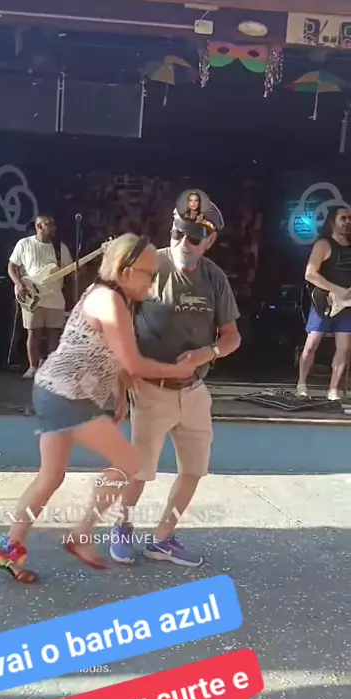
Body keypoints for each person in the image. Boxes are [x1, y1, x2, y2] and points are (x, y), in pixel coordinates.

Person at [0, 233, 207, 583]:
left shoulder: (106, 296)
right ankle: (83, 533)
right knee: (131, 463)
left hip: (51, 390)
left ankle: (8, 548)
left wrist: (118, 394)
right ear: (125, 271)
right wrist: (178, 371)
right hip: (68, 397)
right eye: (149, 274)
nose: (152, 283)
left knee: (51, 476)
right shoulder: (110, 301)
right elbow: (134, 363)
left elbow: (113, 358)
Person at [109, 191, 241, 567]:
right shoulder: (149, 268)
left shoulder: (215, 278)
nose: (184, 242)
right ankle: (122, 526)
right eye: (178, 233)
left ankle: (162, 538)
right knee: (139, 472)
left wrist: (208, 353)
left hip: (194, 391)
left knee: (194, 470)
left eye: (194, 237)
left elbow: (232, 336)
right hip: (151, 390)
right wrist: (119, 384)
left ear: (209, 241)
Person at [8, 215, 73, 379]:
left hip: (55, 297)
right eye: (48, 224)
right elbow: (12, 266)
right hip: (32, 294)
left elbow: (70, 269)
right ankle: (33, 367)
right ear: (39, 226)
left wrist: (79, 270)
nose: (53, 227)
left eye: (53, 224)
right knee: (33, 333)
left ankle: (51, 368)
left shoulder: (60, 248)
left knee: (54, 334)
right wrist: (18, 284)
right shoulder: (24, 244)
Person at [297, 206, 351, 401]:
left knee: (343, 348)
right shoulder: (324, 244)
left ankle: (333, 389)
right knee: (311, 345)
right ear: (332, 221)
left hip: (347, 306)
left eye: (350, 218)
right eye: (343, 218)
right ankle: (302, 383)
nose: (348, 222)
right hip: (325, 303)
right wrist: (337, 291)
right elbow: (310, 274)